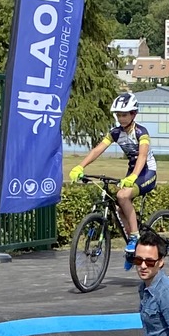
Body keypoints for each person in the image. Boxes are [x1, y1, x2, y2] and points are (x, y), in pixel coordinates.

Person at [69, 91, 156, 260]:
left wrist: (133, 177)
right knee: (117, 207)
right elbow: (98, 149)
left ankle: (134, 236)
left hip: (147, 172)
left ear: (134, 114)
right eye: (118, 115)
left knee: (122, 196)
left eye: (124, 115)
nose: (121, 118)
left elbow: (143, 157)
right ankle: (134, 245)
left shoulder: (141, 133)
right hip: (132, 173)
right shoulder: (116, 133)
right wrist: (80, 166)